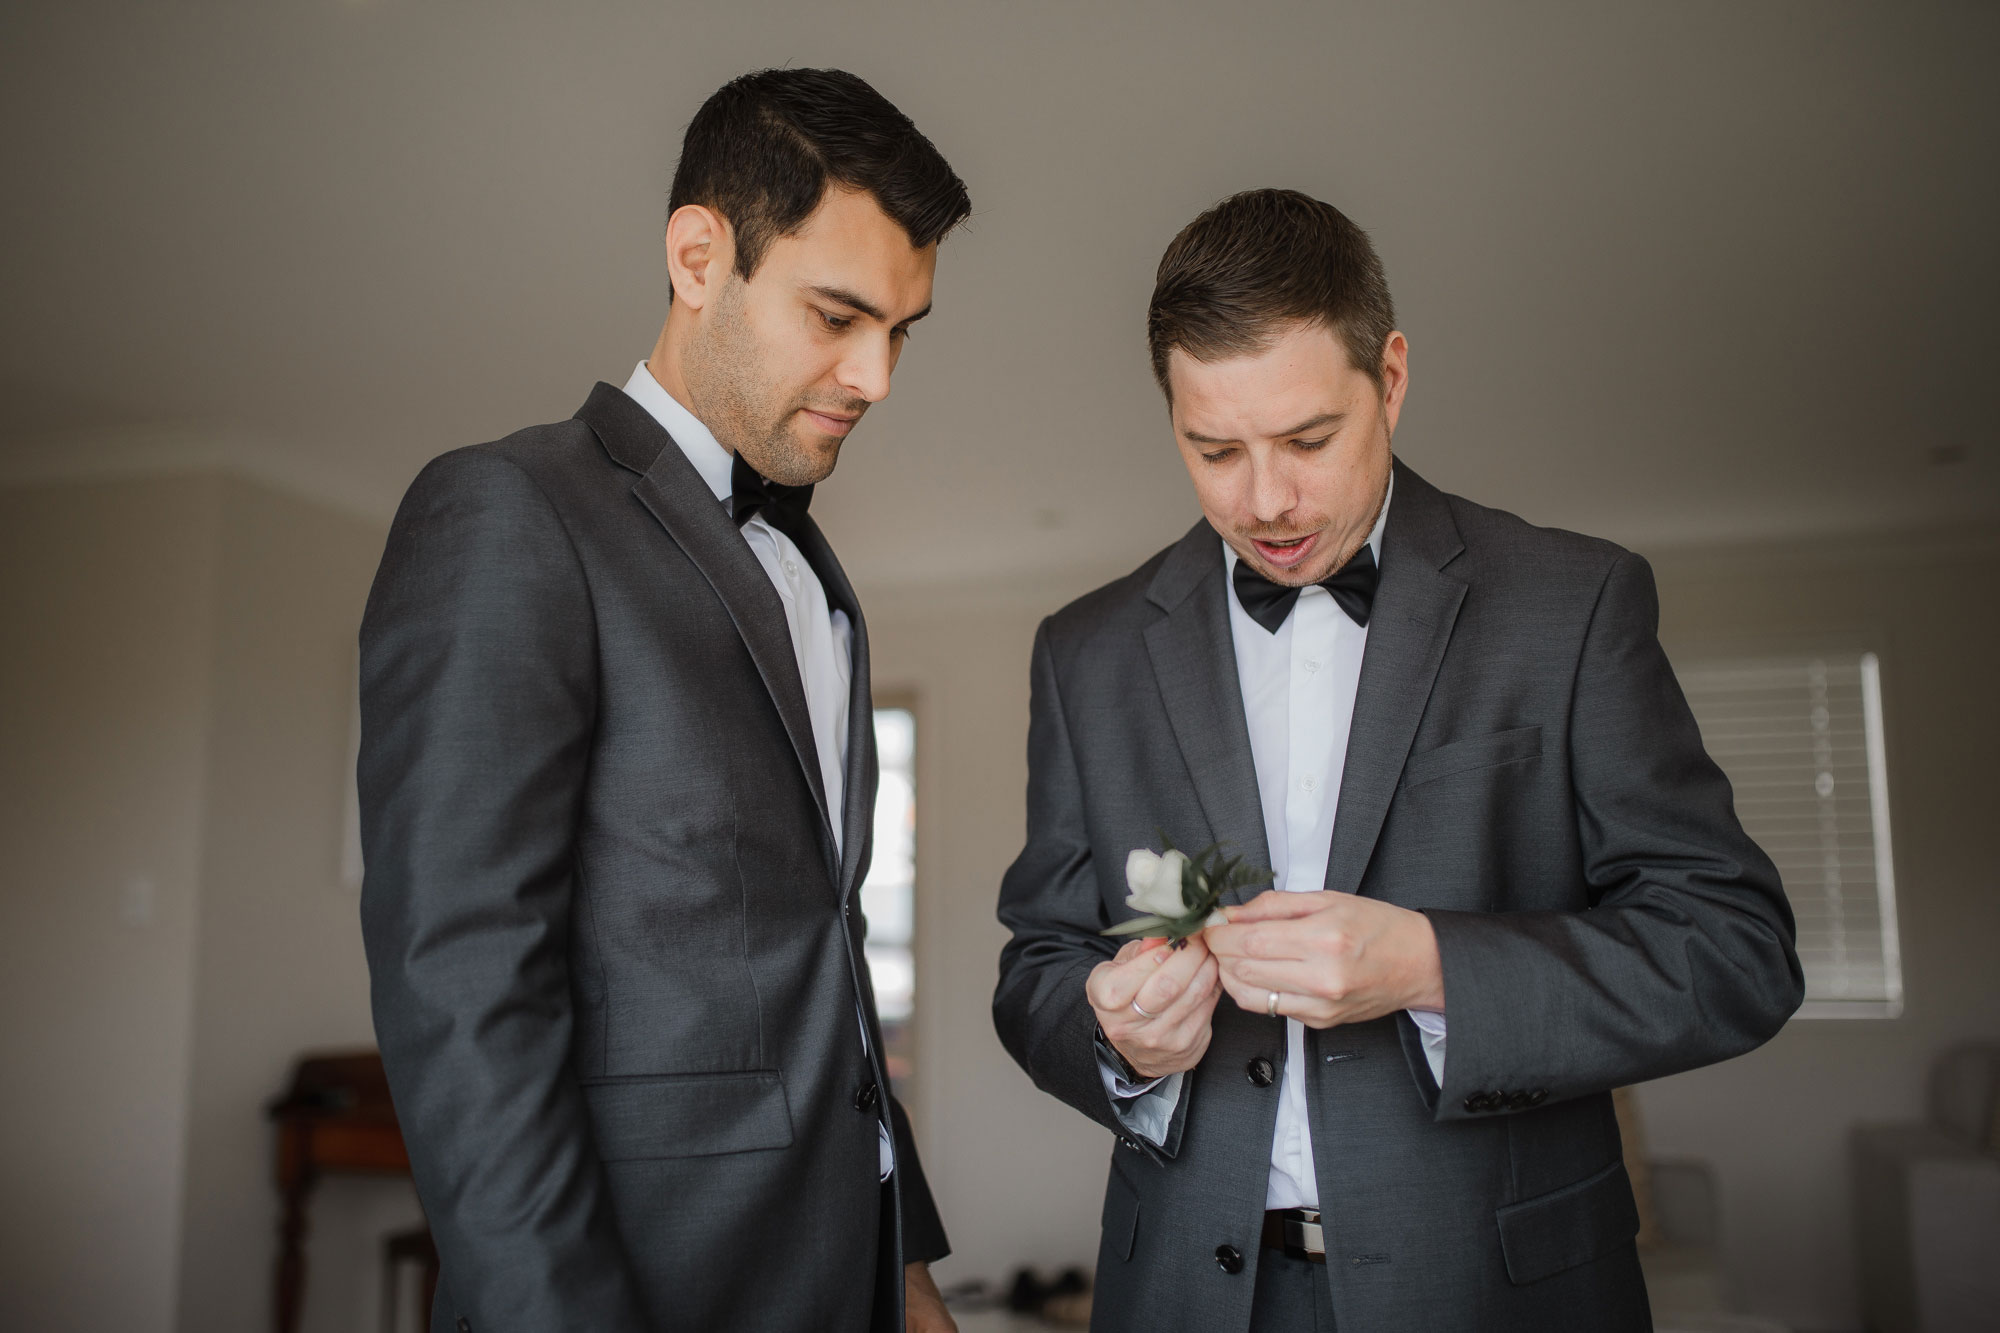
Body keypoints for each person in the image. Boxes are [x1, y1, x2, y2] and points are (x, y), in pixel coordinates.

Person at [992, 188, 1802, 1332]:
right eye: (1212, 448)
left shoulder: (1571, 603)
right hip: (1179, 1290)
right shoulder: (1086, 651)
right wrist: (1111, 1035)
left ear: (1393, 377)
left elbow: (1736, 952)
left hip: (1498, 1292)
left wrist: (1432, 966)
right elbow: (1037, 960)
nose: (1263, 500)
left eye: (1307, 440)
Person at [359, 68, 968, 1333]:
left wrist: (902, 1260)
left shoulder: (816, 578)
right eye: (838, 315)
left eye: (901, 329)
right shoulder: (508, 514)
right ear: (699, 256)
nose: (877, 376)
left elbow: (822, 952)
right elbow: (464, 984)